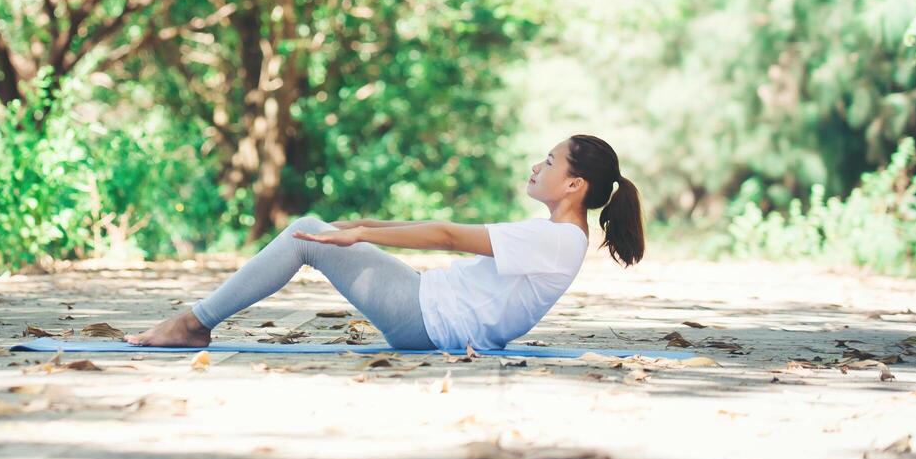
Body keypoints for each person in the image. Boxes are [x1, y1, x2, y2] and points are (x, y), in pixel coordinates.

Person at [123, 133, 645, 351]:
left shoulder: (554, 239)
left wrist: (363, 233)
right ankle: (193, 322)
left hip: (430, 322)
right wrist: (371, 225)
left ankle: (193, 324)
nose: (538, 166)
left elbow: (446, 236)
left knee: (307, 232)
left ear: (575, 185)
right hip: (430, 310)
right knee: (320, 230)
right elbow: (443, 231)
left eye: (550, 162)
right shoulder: (555, 235)